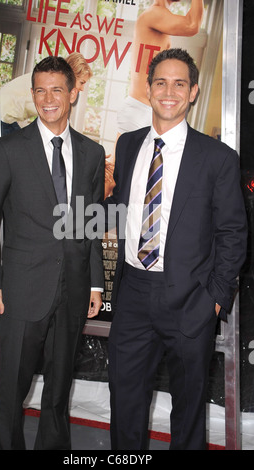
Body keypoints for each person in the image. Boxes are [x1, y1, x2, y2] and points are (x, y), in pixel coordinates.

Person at [103, 48, 247, 450]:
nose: (169, 91)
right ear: (149, 90)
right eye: (161, 82)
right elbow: (123, 209)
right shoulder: (129, 145)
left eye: (179, 83)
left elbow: (234, 233)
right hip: (132, 294)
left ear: (193, 92)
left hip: (190, 299)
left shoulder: (218, 157)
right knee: (125, 401)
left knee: (187, 408)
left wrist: (214, 300)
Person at [0, 56, 105, 450]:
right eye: (40, 90)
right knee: (11, 391)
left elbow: (91, 225)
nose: (48, 99)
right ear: (33, 95)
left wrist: (96, 284)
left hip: (73, 291)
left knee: (58, 393)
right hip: (21, 290)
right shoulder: (8, 150)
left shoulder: (92, 153)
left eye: (57, 90)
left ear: (73, 93)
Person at [106, 0, 204, 198]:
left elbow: (190, 22)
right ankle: (83, 222)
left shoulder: (157, 16)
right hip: (141, 110)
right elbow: (192, 25)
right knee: (125, 182)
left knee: (118, 180)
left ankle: (87, 223)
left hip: (140, 109)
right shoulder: (154, 14)